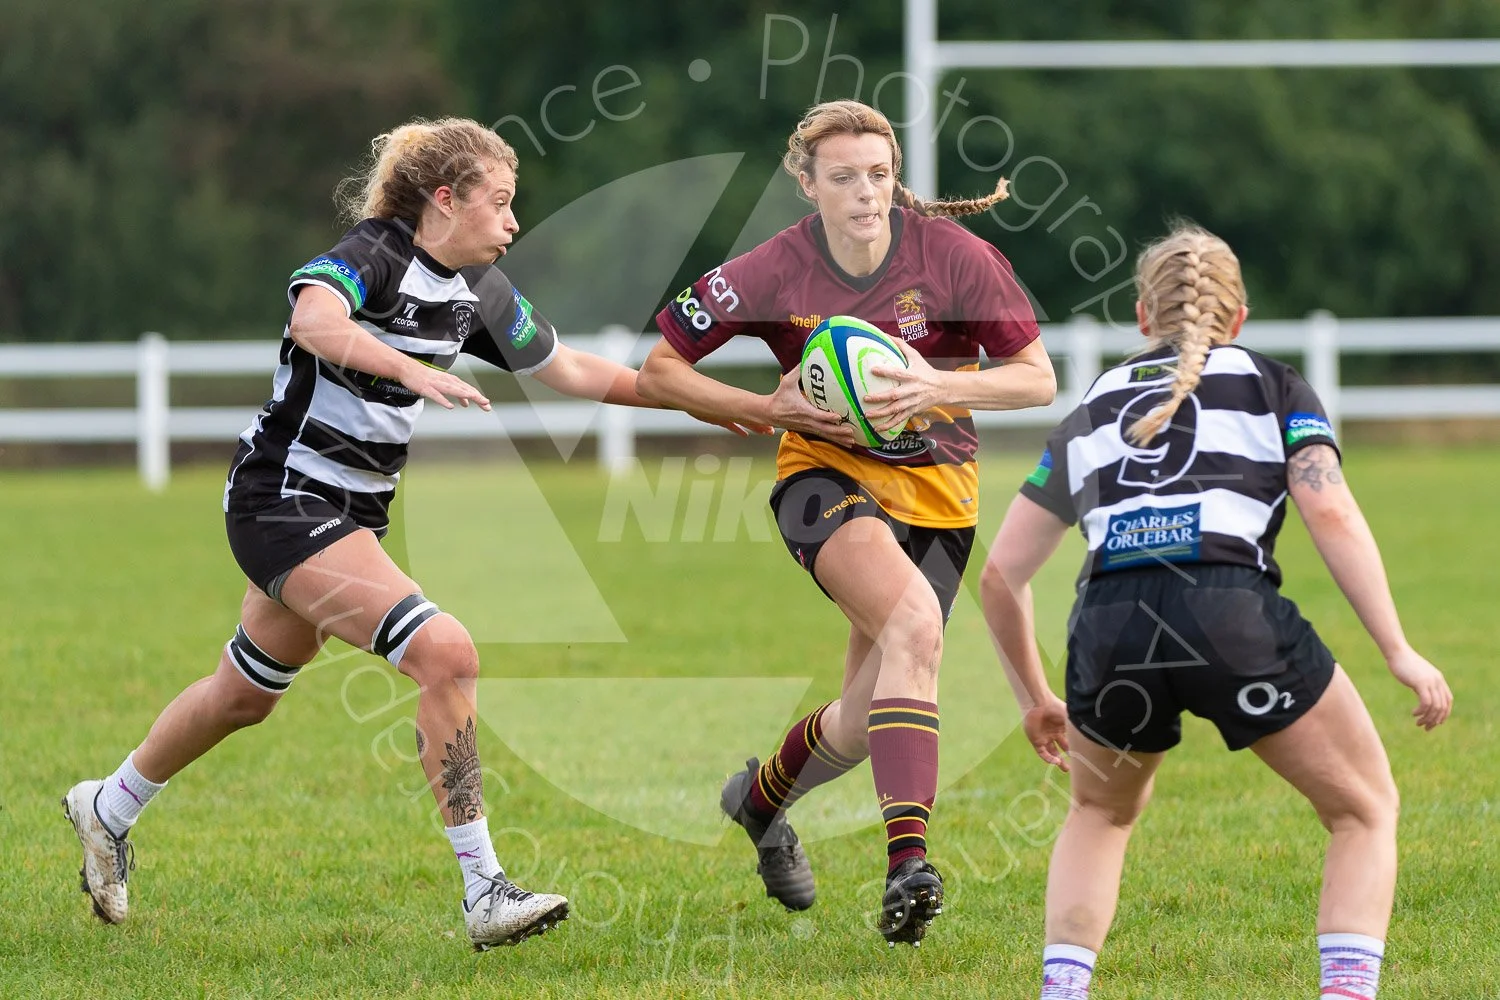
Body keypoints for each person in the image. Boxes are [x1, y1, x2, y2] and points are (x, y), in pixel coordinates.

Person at [62, 117, 760, 951]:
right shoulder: (376, 253)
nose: (511, 223)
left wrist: (721, 402)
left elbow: (574, 370)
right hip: (282, 502)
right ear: (444, 199)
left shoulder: (481, 291)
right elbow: (313, 321)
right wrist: (409, 367)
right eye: (498, 204)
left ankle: (107, 806)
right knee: (445, 652)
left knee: (245, 694)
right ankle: (484, 890)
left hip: (349, 518)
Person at [979, 223, 1453, 998]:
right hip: (1227, 612)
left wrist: (1036, 698)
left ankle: (1062, 991)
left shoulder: (1092, 407)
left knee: (1099, 817)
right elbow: (1330, 515)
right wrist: (1397, 648)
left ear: (1141, 317)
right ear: (1238, 318)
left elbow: (1000, 575)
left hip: (1108, 624)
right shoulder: (1273, 385)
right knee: (1364, 810)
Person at [636, 99, 1056, 946]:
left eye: (878, 174)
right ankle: (910, 865)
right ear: (806, 183)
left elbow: (1036, 378)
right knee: (913, 625)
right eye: (843, 177)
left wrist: (940, 387)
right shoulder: (770, 269)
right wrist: (762, 406)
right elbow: (658, 370)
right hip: (822, 478)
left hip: (941, 495)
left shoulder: (955, 256)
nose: (866, 193)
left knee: (866, 721)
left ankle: (759, 803)